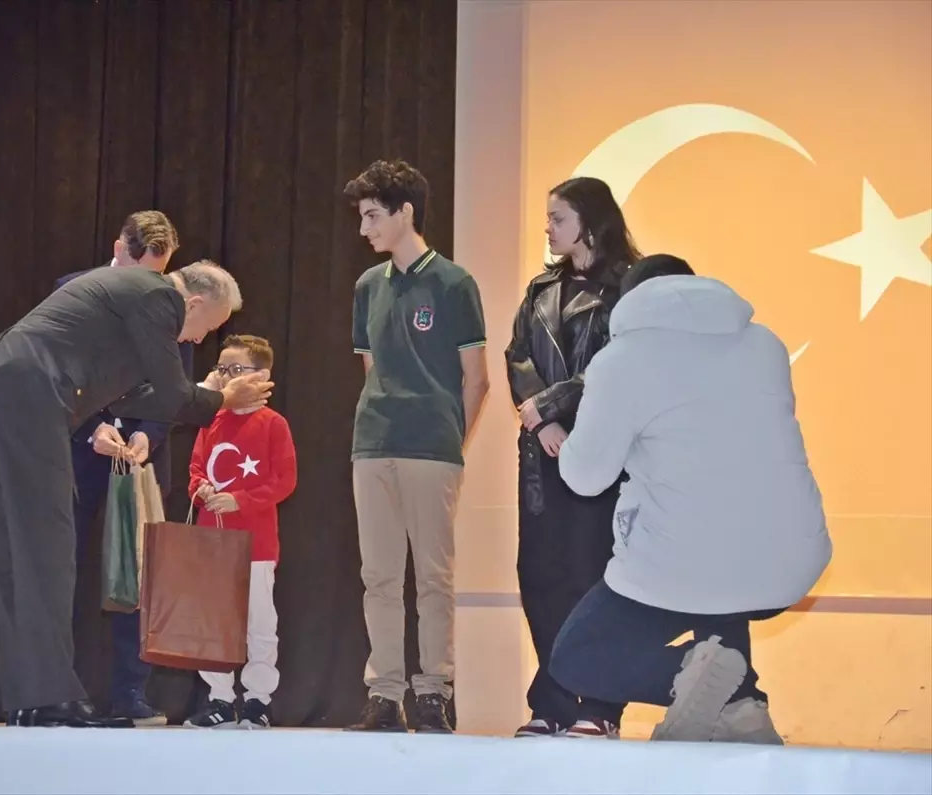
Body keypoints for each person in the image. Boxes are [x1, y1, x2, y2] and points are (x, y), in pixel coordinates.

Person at [0, 260, 274, 728]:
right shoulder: (159, 297)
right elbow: (174, 396)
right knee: (48, 550)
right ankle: (50, 696)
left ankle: (30, 698)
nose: (200, 341)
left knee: (20, 557)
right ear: (196, 303)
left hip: (0, 400)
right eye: (209, 328)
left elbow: (131, 398)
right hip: (27, 402)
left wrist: (206, 394)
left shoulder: (133, 302)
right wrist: (224, 398)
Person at [548, 254, 832, 744]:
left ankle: (728, 692)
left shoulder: (622, 360)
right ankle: (742, 712)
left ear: (631, 301)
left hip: (682, 563)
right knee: (720, 591)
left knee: (578, 657)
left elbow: (586, 476)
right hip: (789, 560)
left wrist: (568, 427)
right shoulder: (766, 345)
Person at [343, 159, 490, 733]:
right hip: (373, 442)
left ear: (406, 213)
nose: (365, 230)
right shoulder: (366, 287)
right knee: (378, 575)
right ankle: (384, 694)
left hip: (432, 446)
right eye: (361, 218)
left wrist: (452, 437)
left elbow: (476, 379)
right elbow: (370, 369)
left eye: (373, 216)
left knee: (433, 576)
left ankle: (433, 692)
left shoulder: (454, 283)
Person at [504, 176, 641, 739]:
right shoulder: (540, 288)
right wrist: (544, 416)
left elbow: (618, 367)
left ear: (589, 219)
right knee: (540, 574)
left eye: (557, 217)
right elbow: (517, 357)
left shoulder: (630, 287)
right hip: (542, 453)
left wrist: (554, 407)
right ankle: (555, 700)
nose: (548, 227)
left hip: (602, 455)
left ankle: (603, 705)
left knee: (596, 576)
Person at [54, 211, 193, 726]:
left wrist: (147, 435)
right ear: (119, 249)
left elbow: (175, 389)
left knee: (134, 575)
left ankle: (130, 694)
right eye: (141, 271)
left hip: (135, 460)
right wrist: (92, 426)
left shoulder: (168, 303)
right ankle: (54, 691)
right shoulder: (73, 292)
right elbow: (57, 374)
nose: (147, 285)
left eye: (158, 274)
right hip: (77, 450)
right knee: (58, 569)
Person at [180, 335, 298, 730]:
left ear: (262, 377)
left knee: (259, 623)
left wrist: (240, 500)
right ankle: (219, 697)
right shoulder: (211, 420)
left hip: (256, 545)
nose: (225, 376)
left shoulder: (272, 424)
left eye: (235, 369)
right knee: (214, 622)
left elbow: (285, 481)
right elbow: (196, 469)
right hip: (212, 543)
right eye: (221, 369)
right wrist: (202, 490)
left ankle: (258, 700)